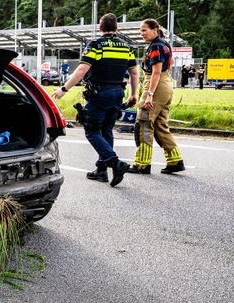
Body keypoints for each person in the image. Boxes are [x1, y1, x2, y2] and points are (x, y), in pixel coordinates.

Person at [53, 13, 138, 187]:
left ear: (100, 28)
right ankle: (101, 170)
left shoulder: (96, 45)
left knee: (91, 130)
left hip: (100, 94)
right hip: (117, 94)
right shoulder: (125, 47)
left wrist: (64, 89)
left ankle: (115, 163)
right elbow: (134, 72)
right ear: (117, 28)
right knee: (107, 131)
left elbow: (82, 69)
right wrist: (133, 94)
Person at [127, 18, 185, 175]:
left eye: (144, 30)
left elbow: (156, 72)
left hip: (155, 84)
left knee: (144, 122)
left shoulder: (155, 46)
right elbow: (170, 62)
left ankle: (142, 164)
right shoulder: (165, 44)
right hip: (166, 84)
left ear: (155, 29)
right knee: (160, 124)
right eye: (141, 31)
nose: (142, 34)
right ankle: (175, 161)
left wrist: (149, 94)